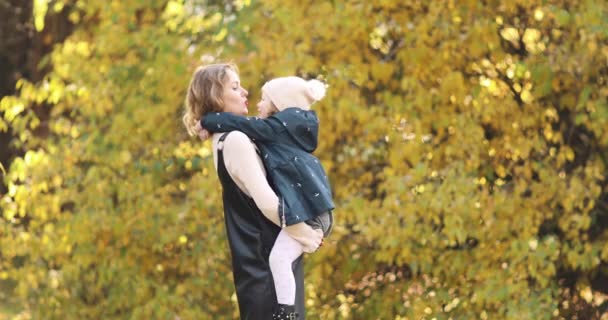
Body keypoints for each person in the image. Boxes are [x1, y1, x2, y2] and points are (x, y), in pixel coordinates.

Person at [182, 64, 323, 320]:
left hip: (261, 265)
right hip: (267, 268)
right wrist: (306, 234)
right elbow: (268, 203)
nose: (245, 92)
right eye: (235, 87)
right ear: (215, 97)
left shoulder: (227, 138)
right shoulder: (235, 140)